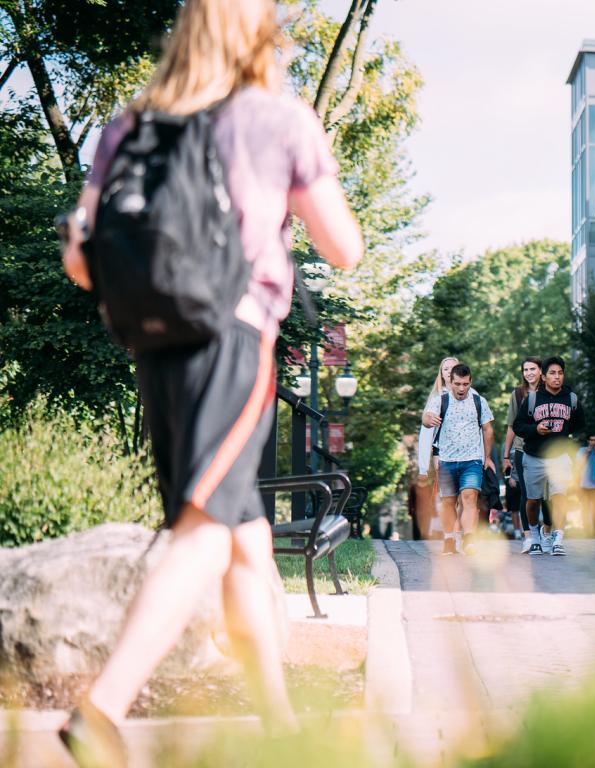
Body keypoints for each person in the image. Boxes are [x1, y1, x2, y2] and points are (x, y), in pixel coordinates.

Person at [56, 0, 362, 760]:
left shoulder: (132, 125)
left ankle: (285, 732)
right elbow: (344, 246)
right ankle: (99, 712)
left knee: (245, 541)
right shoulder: (278, 118)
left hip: (155, 343)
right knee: (199, 534)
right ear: (263, 36)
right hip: (234, 338)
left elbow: (79, 256)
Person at [512, 357, 585, 556]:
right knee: (533, 500)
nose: (557, 377)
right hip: (534, 456)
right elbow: (518, 426)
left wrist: (564, 431)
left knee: (560, 497)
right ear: (543, 377)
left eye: (560, 373)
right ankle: (534, 536)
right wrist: (536, 428)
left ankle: (558, 538)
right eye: (552, 373)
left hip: (559, 457)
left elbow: (580, 423)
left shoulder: (571, 398)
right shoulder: (533, 399)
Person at [422, 363, 496, 556]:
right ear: (450, 382)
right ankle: (448, 538)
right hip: (447, 460)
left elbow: (488, 429)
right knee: (448, 502)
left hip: (472, 460)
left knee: (470, 498)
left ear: (470, 382)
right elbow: (426, 418)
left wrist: (487, 457)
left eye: (465, 384)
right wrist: (428, 420)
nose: (461, 389)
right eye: (457, 384)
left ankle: (469, 539)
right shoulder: (440, 400)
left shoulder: (479, 401)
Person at [503, 357, 547, 547]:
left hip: (547, 450)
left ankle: (546, 533)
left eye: (533, 369)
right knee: (526, 493)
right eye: (525, 369)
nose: (529, 373)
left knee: (547, 494)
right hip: (522, 449)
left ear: (540, 371)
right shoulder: (518, 394)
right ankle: (529, 536)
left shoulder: (550, 392)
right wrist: (506, 456)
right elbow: (511, 426)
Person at [415, 356, 458, 540]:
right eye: (445, 369)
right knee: (447, 495)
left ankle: (460, 532)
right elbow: (426, 434)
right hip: (442, 453)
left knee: (466, 495)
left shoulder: (472, 395)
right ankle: (449, 533)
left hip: (468, 453)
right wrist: (423, 467)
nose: (449, 372)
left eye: (452, 368)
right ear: (441, 374)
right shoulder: (436, 399)